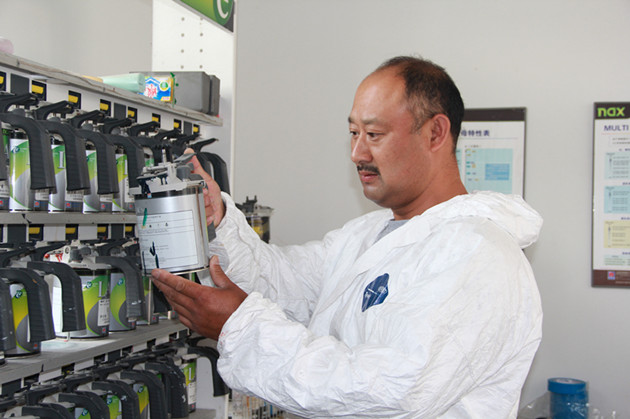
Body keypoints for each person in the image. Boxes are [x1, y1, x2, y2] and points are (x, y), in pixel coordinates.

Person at [151, 56, 543, 418]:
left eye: (374, 134)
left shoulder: (477, 254)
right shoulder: (367, 236)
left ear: (435, 133)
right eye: (353, 132)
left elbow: (391, 393)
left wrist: (240, 328)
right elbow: (284, 285)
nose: (357, 153)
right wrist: (218, 220)